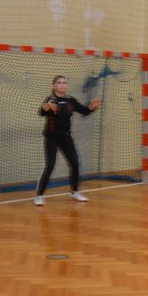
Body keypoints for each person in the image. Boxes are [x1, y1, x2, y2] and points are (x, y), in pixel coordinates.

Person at [35, 75, 101, 206]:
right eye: (59, 83)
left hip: (66, 137)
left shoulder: (71, 100)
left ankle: (75, 191)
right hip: (51, 137)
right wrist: (47, 107)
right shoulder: (51, 99)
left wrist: (91, 107)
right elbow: (41, 112)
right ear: (54, 86)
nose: (62, 85)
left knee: (75, 163)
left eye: (64, 83)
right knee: (50, 165)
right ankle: (39, 195)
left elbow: (84, 111)